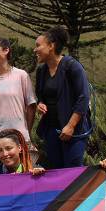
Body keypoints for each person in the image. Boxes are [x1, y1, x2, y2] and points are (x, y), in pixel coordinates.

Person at [34, 26, 92, 168]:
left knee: (72, 172)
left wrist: (71, 126)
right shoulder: (41, 71)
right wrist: (40, 104)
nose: (35, 50)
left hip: (74, 132)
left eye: (38, 46)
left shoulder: (73, 67)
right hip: (52, 132)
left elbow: (83, 98)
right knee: (55, 171)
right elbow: (40, 96)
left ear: (51, 46)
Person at [0, 37, 37, 173]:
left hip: (18, 137)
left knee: (25, 175)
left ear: (6, 50)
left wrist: (26, 129)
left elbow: (31, 105)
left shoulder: (21, 75)